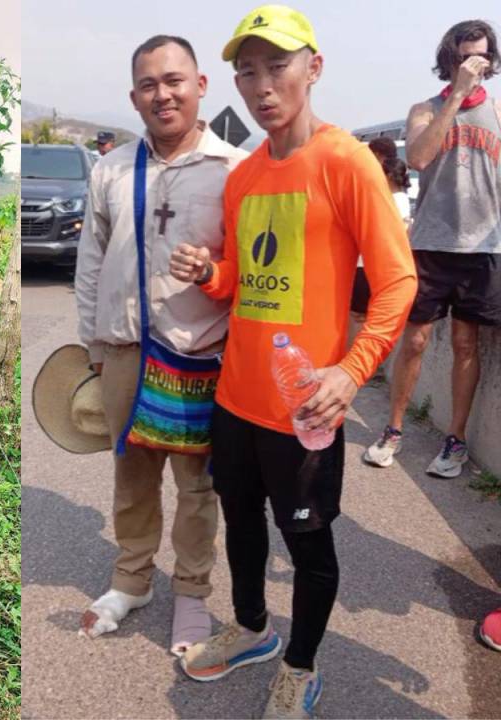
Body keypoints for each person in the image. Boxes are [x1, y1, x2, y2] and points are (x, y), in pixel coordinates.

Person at [169, 6, 416, 717]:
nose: (261, 84)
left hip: (305, 405)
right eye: (247, 71)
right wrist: (209, 273)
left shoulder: (345, 160)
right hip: (236, 397)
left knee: (307, 543)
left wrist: (349, 369)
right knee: (240, 525)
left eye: (276, 65)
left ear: (314, 66)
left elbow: (398, 280)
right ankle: (251, 630)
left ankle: (301, 666)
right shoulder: (244, 177)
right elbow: (245, 281)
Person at [74, 34, 247, 657]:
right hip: (122, 350)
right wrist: (92, 342)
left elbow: (250, 269)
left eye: (174, 80)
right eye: (148, 84)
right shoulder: (113, 168)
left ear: (201, 86)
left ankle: (194, 592)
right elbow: (91, 259)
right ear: (134, 97)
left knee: (198, 486)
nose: (162, 93)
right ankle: (132, 580)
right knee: (131, 475)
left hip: (199, 354)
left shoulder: (233, 169)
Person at [363, 19, 501, 478]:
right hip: (430, 243)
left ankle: (456, 440)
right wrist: (458, 95)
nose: (473, 64)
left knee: (466, 344)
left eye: (481, 56)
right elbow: (418, 157)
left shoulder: (499, 114)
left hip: (483, 247)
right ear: (450, 60)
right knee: (416, 340)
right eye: (464, 57)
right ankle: (395, 429)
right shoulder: (425, 108)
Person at [351, 155, 412, 321]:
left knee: (359, 318)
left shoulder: (388, 201)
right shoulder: (405, 200)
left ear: (389, 176)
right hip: (388, 269)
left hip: (369, 267)